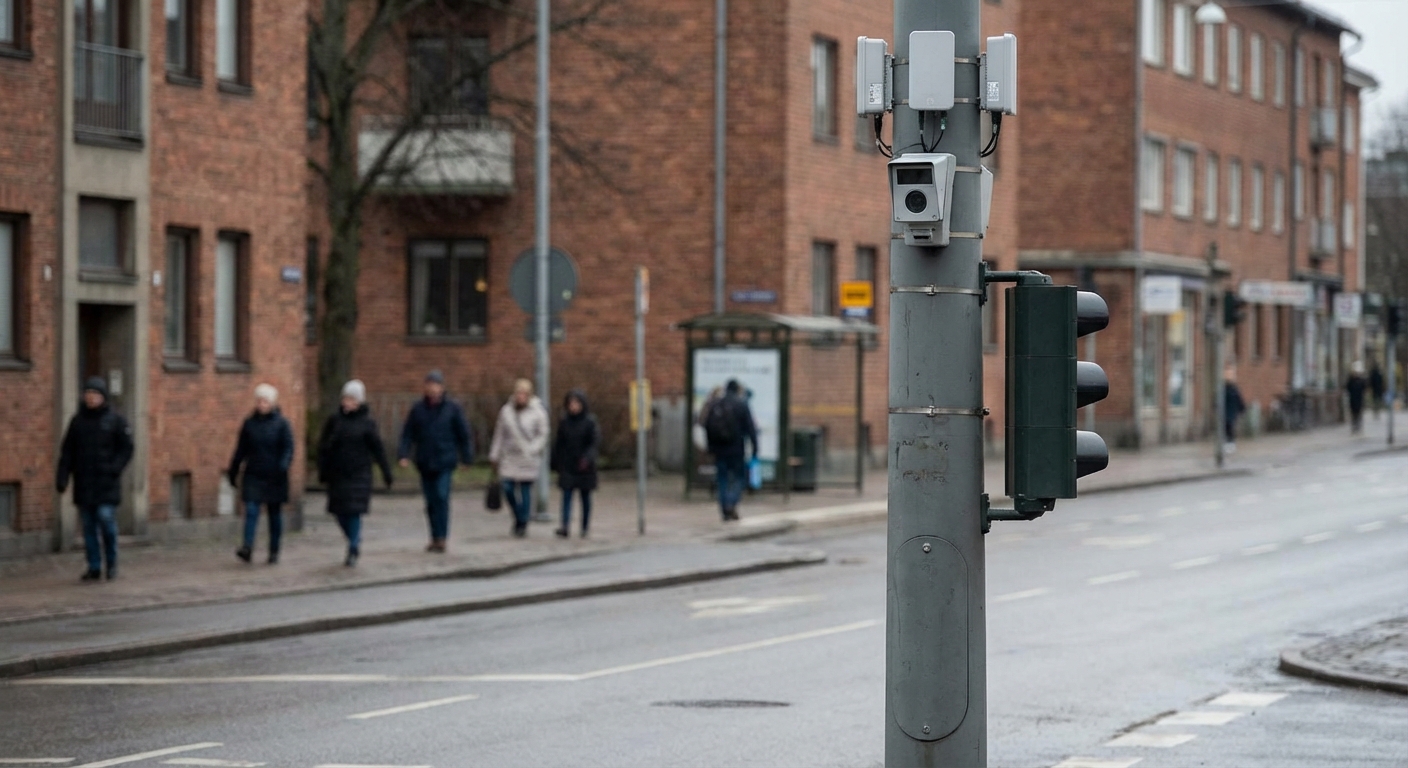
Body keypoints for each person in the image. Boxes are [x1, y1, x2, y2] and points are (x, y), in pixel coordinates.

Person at [55, 377, 133, 582]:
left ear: (103, 397)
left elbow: (127, 448)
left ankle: (112, 563)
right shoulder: (78, 422)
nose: (91, 398)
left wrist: (115, 468)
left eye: (95, 394)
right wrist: (62, 477)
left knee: (106, 521)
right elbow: (67, 452)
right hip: (84, 483)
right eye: (88, 394)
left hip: (106, 483)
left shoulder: (115, 420)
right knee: (89, 527)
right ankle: (94, 566)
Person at [318, 380, 393, 567]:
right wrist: (323, 468)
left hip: (359, 474)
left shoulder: (367, 423)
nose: (347, 402)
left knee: (354, 512)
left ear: (359, 401)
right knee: (339, 512)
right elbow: (323, 446)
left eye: (351, 399)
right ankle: (353, 539)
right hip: (338, 474)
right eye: (345, 398)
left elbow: (378, 449)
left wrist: (386, 472)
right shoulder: (334, 421)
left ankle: (353, 547)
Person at [397, 370, 474, 553]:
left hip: (445, 460)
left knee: (441, 496)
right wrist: (403, 454)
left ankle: (442, 537)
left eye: (436, 385)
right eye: (429, 385)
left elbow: (464, 435)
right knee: (430, 501)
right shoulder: (418, 409)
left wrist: (467, 457)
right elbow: (408, 433)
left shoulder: (452, 409)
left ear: (442, 387)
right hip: (425, 460)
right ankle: (434, 536)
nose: (432, 388)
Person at [227, 384, 294, 564]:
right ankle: (247, 547)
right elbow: (241, 450)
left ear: (272, 403)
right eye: (259, 401)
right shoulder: (250, 424)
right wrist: (233, 471)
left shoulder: (282, 424)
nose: (261, 404)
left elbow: (288, 447)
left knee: (274, 514)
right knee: (251, 510)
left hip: (275, 475)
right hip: (254, 473)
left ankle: (274, 549)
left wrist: (283, 465)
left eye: (264, 401)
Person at [489, 379, 549, 537]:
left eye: (524, 394)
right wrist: (494, 455)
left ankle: (522, 522)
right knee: (507, 487)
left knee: (525, 490)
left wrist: (534, 448)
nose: (520, 397)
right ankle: (518, 515)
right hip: (510, 456)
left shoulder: (538, 412)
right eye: (518, 393)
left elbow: (543, 434)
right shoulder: (506, 411)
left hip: (528, 456)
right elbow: (499, 434)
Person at [703, 379, 758, 522]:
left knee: (722, 479)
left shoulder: (716, 404)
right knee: (739, 478)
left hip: (719, 450)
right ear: (737, 390)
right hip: (737, 450)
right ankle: (731, 503)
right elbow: (751, 429)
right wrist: (755, 448)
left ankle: (724, 509)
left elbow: (707, 425)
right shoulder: (741, 404)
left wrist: (710, 447)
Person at [550, 390, 600, 539]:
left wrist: (587, 458)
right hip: (568, 464)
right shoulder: (564, 422)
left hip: (584, 466)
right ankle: (565, 525)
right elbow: (559, 443)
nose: (573, 406)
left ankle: (584, 527)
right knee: (566, 495)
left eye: (576, 403)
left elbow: (594, 443)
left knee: (585, 497)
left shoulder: (590, 422)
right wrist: (555, 462)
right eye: (571, 403)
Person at [1223, 372, 1245, 454]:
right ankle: (1229, 443)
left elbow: (1239, 401)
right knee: (1227, 428)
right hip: (1226, 412)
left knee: (1230, 427)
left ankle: (1231, 443)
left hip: (1231, 412)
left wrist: (1242, 409)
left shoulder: (1234, 390)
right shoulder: (1224, 390)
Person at [1346, 362, 1368, 435]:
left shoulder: (1361, 381)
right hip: (1353, 400)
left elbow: (1364, 388)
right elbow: (1348, 388)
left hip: (1359, 400)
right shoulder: (1351, 381)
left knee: (1358, 414)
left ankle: (1358, 426)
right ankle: (1354, 426)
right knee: (1353, 414)